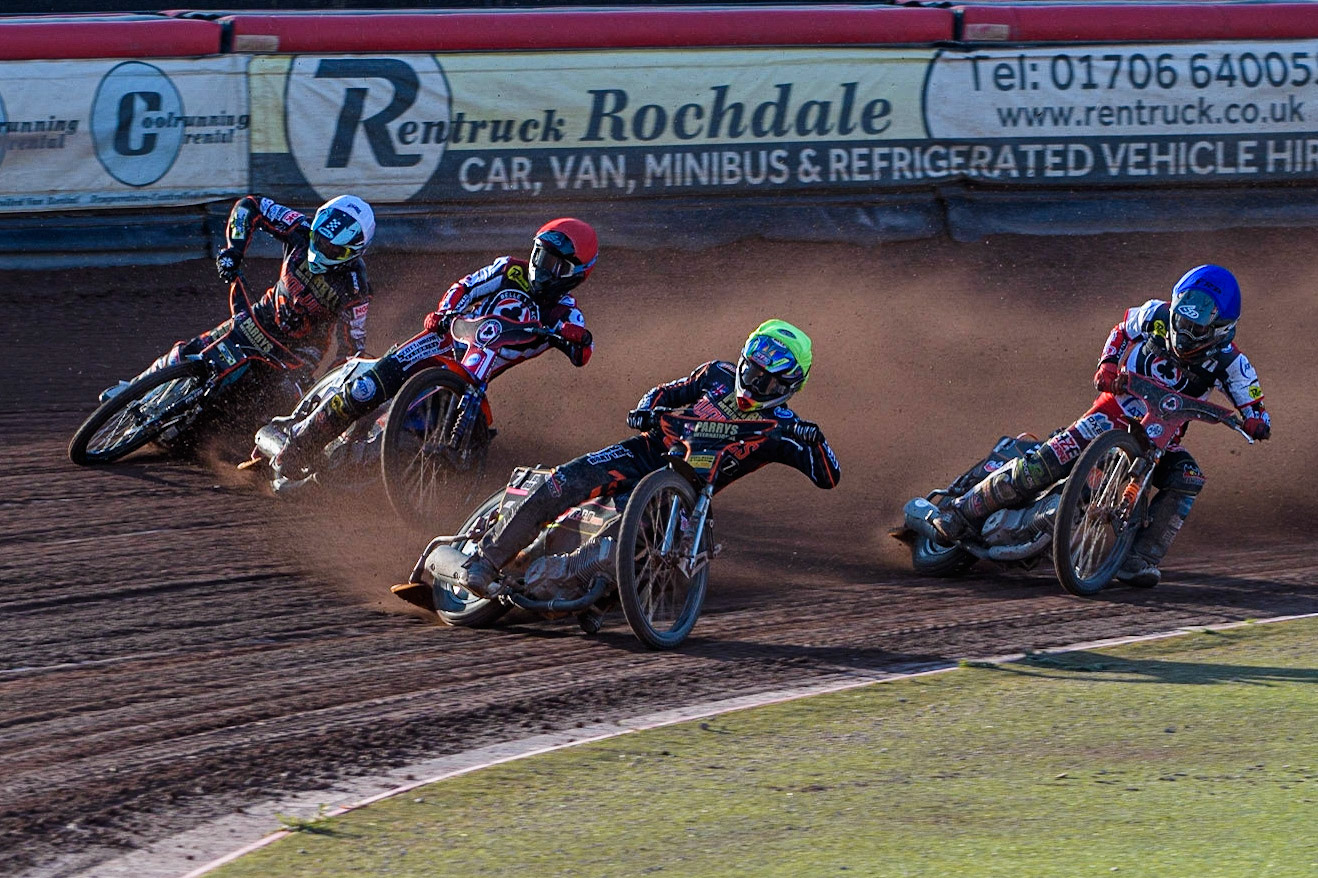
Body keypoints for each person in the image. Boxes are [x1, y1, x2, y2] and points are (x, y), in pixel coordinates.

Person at [443, 318, 841, 600]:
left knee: (649, 549)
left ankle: (573, 581)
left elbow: (828, 476)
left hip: (685, 492)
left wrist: (816, 439)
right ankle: (485, 560)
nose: (752, 383)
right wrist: (646, 410)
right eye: (750, 370)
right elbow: (664, 392)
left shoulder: (784, 426)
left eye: (766, 380)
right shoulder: (716, 373)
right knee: (568, 479)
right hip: (644, 452)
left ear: (789, 387)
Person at [932, 264, 1271, 587]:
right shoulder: (1155, 313)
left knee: (1188, 477)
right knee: (1048, 460)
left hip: (1162, 438)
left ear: (1222, 329)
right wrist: (1108, 364)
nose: (1182, 333)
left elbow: (1254, 402)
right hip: (1112, 412)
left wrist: (1257, 421)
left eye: (1195, 329)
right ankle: (962, 513)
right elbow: (1121, 330)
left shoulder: (1232, 363)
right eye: (1180, 320)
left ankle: (1139, 560)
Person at [266, 217, 598, 475]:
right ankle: (298, 446)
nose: (543, 267)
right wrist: (445, 312)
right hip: (441, 338)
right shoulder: (510, 269)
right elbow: (466, 286)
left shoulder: (565, 312)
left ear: (575, 274)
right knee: (367, 388)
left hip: (471, 377)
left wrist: (574, 338)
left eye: (556, 264)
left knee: (417, 429)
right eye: (540, 255)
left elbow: (582, 350)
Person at [100, 194, 374, 402]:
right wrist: (234, 250)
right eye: (319, 240)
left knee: (279, 397)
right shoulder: (300, 229)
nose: (321, 251)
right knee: (195, 350)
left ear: (354, 252)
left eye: (334, 250)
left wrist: (319, 386)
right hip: (262, 317)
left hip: (301, 351)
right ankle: (135, 389)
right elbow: (250, 205)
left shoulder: (355, 289)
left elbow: (352, 351)